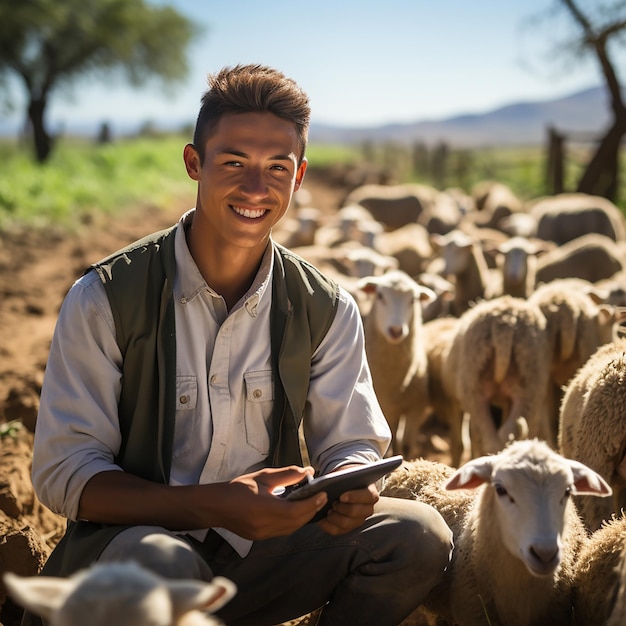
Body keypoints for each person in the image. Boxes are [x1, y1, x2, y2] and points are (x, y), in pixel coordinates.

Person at [25, 64, 453, 626]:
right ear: (194, 163)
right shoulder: (105, 297)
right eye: (234, 163)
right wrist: (210, 505)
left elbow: (351, 441)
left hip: (261, 553)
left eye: (277, 167)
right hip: (132, 558)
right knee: (165, 564)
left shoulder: (326, 308)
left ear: (299, 177)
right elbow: (65, 473)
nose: (257, 189)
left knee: (417, 535)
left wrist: (351, 485)